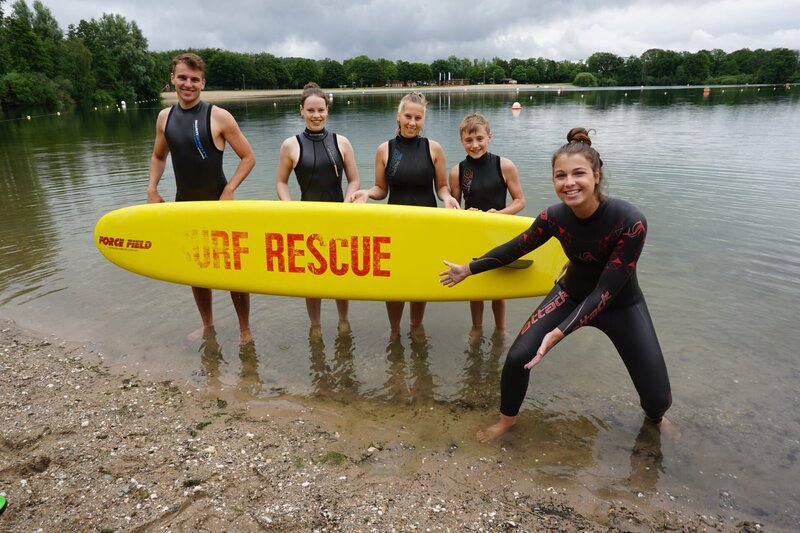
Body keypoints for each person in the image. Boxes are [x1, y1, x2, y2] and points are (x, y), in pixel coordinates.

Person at [440, 127, 672, 442]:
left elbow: (605, 290)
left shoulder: (630, 222)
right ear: (553, 180)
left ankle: (656, 422)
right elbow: (515, 248)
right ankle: (506, 421)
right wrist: (468, 269)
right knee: (519, 358)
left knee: (658, 399)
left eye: (578, 173)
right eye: (560, 176)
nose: (569, 183)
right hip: (571, 294)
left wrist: (560, 331)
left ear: (597, 175)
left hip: (620, 304)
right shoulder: (554, 217)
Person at [148, 53, 256, 344]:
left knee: (234, 273)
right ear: (172, 79)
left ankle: (245, 329)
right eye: (182, 77)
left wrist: (229, 190)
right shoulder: (164, 118)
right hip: (185, 206)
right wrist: (152, 189)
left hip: (219, 207)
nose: (188, 84)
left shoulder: (218, 116)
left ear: (203, 83)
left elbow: (248, 158)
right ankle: (208, 326)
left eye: (194, 79)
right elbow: (159, 156)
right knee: (196, 272)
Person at [352, 92, 459, 339]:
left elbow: (441, 187)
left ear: (423, 120)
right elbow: (382, 189)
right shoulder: (384, 150)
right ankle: (394, 330)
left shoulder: (434, 149)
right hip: (395, 226)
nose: (412, 122)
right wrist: (366, 193)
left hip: (426, 224)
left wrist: (447, 197)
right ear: (399, 116)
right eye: (408, 116)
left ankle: (415, 327)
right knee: (394, 282)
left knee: (420, 279)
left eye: (418, 118)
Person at [275, 82, 360, 335]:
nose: (316, 116)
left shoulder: (341, 142)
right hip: (307, 220)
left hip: (338, 217)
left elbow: (354, 179)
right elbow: (281, 181)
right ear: (301, 110)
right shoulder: (291, 145)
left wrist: (347, 203)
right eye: (310, 110)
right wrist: (289, 209)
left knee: (340, 272)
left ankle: (343, 321)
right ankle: (315, 325)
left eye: (321, 110)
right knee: (311, 276)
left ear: (327, 111)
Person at [449, 113, 525, 339]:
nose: (475, 145)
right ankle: (477, 327)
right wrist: (464, 213)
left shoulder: (504, 165)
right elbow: (453, 209)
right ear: (462, 141)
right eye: (469, 140)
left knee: (499, 287)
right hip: (473, 232)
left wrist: (499, 215)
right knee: (475, 283)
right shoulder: (457, 172)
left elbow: (520, 201)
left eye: (479, 139)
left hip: (499, 232)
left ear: (489, 137)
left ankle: (501, 329)